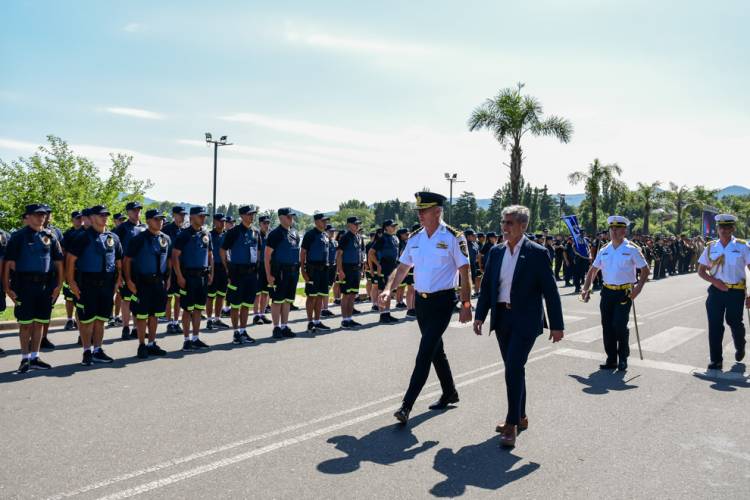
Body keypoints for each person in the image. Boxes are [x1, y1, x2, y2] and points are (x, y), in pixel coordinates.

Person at [473, 205, 564, 448]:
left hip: (526, 319)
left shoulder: (537, 253)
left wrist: (556, 325)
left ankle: (511, 424)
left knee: (513, 366)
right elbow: (488, 287)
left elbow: (550, 291)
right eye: (503, 222)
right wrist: (480, 315)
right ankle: (521, 416)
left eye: (510, 223)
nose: (504, 227)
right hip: (502, 318)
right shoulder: (496, 251)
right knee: (514, 368)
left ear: (523, 226)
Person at [381, 192, 472, 425]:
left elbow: (464, 271)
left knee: (424, 352)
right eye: (419, 211)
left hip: (443, 302)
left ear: (438, 212)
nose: (420, 215)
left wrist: (466, 302)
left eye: (424, 210)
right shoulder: (415, 238)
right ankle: (450, 392)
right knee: (435, 350)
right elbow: (402, 268)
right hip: (421, 303)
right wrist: (388, 289)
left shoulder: (453, 237)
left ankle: (406, 405)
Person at [581, 216, 649, 372]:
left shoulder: (632, 249)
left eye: (617, 229)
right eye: (611, 228)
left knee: (619, 325)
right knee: (607, 326)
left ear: (624, 231)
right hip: (607, 292)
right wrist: (586, 288)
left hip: (624, 292)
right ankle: (611, 358)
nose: (613, 231)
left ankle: (623, 357)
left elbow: (645, 270)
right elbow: (593, 270)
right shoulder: (604, 249)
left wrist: (638, 289)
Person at [3, 204, 64, 373]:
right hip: (24, 285)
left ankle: (35, 357)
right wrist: (7, 287)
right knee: (25, 324)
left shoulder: (50, 236)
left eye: (43, 215)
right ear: (28, 216)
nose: (41, 217)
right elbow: (8, 263)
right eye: (37, 214)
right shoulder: (18, 237)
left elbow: (59, 262)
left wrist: (59, 285)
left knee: (39, 323)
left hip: (45, 286)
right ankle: (24, 359)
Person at [65, 205, 122, 366]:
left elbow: (119, 262)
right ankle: (87, 352)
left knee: (100, 320)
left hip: (107, 285)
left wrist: (119, 280)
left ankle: (98, 350)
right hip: (87, 284)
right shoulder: (82, 237)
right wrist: (71, 282)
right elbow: (70, 260)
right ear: (91, 218)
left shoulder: (113, 237)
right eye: (100, 215)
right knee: (87, 320)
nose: (104, 217)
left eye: (106, 215)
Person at [697, 214, 750, 370]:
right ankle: (716, 360)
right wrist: (716, 282)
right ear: (717, 229)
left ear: (733, 228)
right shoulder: (711, 247)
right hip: (716, 292)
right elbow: (700, 271)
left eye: (728, 227)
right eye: (722, 227)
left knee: (734, 322)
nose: (724, 230)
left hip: (736, 291)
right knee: (714, 325)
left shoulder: (742, 246)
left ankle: (740, 345)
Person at [124, 209, 170, 359]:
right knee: (142, 315)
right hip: (142, 283)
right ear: (149, 221)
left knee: (155, 315)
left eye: (161, 219)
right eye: (156, 219)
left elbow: (168, 260)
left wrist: (168, 279)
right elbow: (127, 261)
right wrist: (129, 281)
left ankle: (152, 343)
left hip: (159, 283)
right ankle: (142, 345)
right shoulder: (139, 239)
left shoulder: (166, 238)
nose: (160, 221)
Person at [172, 206, 213, 351]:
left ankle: (196, 338)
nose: (203, 218)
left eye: (204, 216)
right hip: (188, 277)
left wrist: (210, 273)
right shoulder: (184, 234)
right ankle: (186, 340)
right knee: (187, 309)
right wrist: (179, 276)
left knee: (198, 309)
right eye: (200, 216)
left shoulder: (206, 233)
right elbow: (175, 256)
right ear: (192, 217)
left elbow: (209, 255)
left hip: (202, 276)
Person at [221, 205, 262, 344]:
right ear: (242, 216)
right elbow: (223, 250)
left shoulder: (256, 232)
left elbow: (259, 251)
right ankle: (236, 333)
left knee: (246, 304)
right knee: (235, 304)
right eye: (249, 214)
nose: (252, 216)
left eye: (253, 214)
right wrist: (227, 267)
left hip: (251, 274)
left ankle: (243, 331)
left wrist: (257, 267)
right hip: (237, 274)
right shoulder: (234, 232)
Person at [265, 207, 300, 339]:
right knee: (277, 300)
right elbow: (267, 256)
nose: (291, 219)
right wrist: (268, 275)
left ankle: (284, 326)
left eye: (292, 216)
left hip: (293, 271)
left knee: (287, 300)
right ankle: (276, 327)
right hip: (280, 272)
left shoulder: (295, 233)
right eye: (288, 216)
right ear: (281, 218)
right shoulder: (275, 234)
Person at [113, 201, 146, 340]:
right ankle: (125, 327)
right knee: (126, 300)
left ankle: (136, 328)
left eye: (138, 210)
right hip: (127, 269)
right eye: (133, 210)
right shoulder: (122, 228)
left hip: (141, 270)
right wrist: (119, 274)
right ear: (128, 212)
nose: (136, 212)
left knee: (138, 299)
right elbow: (115, 250)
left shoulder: (145, 227)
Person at [300, 213, 333, 332]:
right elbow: (303, 252)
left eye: (326, 221)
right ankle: (310, 322)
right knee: (311, 296)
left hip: (324, 269)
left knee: (320, 295)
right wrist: (303, 270)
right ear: (316, 222)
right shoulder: (310, 234)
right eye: (323, 221)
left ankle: (317, 321)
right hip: (312, 269)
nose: (325, 223)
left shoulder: (325, 235)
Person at [369, 219, 401, 324]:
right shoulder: (382, 238)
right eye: (392, 226)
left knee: (389, 291)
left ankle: (387, 313)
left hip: (393, 267)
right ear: (386, 227)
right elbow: (371, 252)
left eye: (395, 226)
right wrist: (378, 265)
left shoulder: (395, 238)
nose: (395, 227)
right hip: (384, 267)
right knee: (382, 291)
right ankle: (382, 315)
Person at [337, 217, 364, 329]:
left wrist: (362, 269)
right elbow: (339, 255)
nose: (357, 226)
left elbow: (361, 254)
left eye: (358, 224)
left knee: (353, 294)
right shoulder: (345, 237)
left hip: (356, 268)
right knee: (346, 295)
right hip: (347, 268)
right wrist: (340, 270)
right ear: (349, 225)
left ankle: (350, 318)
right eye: (355, 224)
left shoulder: (359, 237)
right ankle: (344, 320)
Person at [162, 206, 186, 334]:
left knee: (178, 297)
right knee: (169, 297)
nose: (182, 217)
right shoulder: (166, 229)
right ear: (174, 215)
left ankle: (176, 322)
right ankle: (169, 322)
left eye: (184, 215)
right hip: (169, 267)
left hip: (181, 267)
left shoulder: (184, 230)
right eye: (180, 214)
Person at [206, 213, 230, 330]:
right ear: (215, 222)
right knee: (210, 296)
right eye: (220, 221)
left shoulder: (227, 235)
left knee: (221, 295)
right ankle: (209, 320)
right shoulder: (209, 235)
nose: (223, 223)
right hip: (213, 267)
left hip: (224, 267)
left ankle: (217, 319)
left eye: (224, 221)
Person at [61, 210, 83, 331]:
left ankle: (81, 323)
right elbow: (63, 252)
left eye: (81, 218)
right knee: (69, 297)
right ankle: (70, 320)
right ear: (72, 220)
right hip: (70, 270)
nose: (79, 220)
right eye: (77, 218)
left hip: (82, 271)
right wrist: (65, 271)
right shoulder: (69, 234)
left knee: (80, 299)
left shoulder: (87, 232)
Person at [253, 215, 273, 325]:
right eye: (264, 223)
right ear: (260, 224)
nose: (266, 225)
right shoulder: (256, 235)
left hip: (267, 266)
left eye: (268, 223)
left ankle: (262, 313)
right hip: (258, 266)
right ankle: (256, 315)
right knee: (257, 293)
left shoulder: (269, 236)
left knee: (265, 292)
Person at [321, 224, 337, 318]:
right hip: (326, 267)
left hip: (333, 267)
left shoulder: (335, 242)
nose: (332, 233)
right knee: (325, 288)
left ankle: (324, 308)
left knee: (329, 287)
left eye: (333, 231)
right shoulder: (325, 242)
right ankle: (324, 309)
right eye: (330, 231)